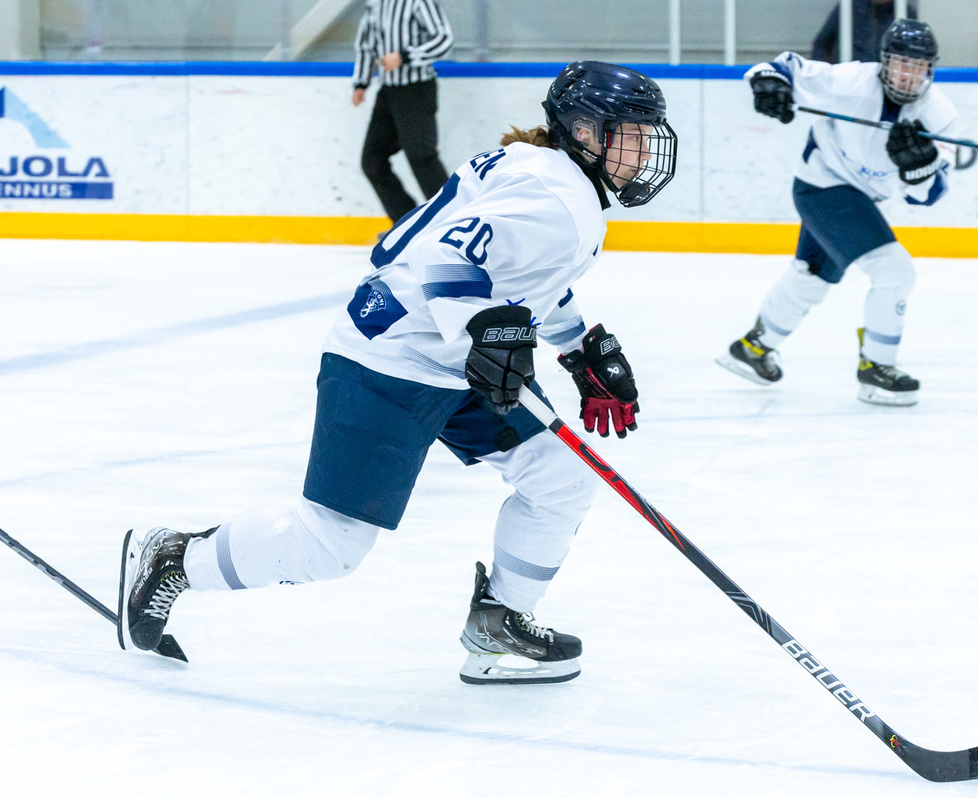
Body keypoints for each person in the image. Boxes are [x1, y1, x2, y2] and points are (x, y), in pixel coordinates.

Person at [117, 61, 678, 685]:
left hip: (443, 355)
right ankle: (174, 559)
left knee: (561, 478)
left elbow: (514, 272)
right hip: (390, 360)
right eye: (630, 133)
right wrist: (485, 331)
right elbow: (448, 261)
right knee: (330, 546)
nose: (643, 150)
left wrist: (578, 349)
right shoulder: (559, 198)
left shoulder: (536, 170)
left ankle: (499, 626)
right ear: (583, 130)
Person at [717, 19, 954, 406]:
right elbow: (784, 67)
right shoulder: (851, 82)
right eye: (901, 63)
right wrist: (768, 83)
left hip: (853, 198)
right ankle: (877, 367)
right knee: (895, 271)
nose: (909, 73)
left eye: (919, 65)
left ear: (931, 68)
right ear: (884, 62)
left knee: (810, 276)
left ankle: (753, 348)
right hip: (822, 186)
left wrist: (920, 166)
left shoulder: (939, 114)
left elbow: (925, 195)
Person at [353, 0, 455, 224]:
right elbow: (366, 43)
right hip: (388, 91)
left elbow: (443, 39)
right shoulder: (374, 3)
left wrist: (405, 55)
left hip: (416, 88)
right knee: (372, 160)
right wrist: (361, 82)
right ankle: (407, 224)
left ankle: (453, 221)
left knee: (421, 156)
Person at [810, 0, 918, 64]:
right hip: (846, 80)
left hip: (884, 87)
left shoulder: (904, 13)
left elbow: (912, 56)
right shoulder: (850, 7)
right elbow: (821, 44)